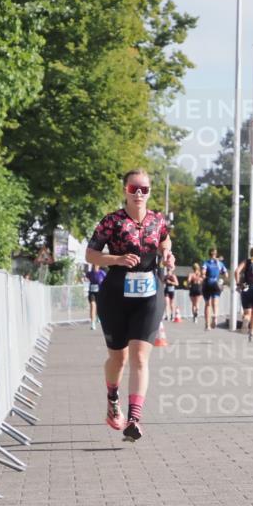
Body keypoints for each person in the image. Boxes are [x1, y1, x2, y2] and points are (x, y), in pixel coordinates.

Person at [85, 169, 175, 442]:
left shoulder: (157, 220)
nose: (139, 193)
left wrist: (168, 256)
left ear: (149, 192)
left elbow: (165, 242)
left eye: (144, 189)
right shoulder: (111, 222)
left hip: (148, 294)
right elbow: (91, 254)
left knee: (139, 357)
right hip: (115, 295)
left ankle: (134, 418)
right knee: (119, 358)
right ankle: (113, 399)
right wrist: (117, 259)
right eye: (134, 188)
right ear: (125, 189)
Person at [201, 248, 227, 331]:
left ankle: (207, 325)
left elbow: (203, 273)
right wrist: (222, 279)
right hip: (216, 283)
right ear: (216, 254)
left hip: (207, 283)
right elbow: (226, 275)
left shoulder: (206, 263)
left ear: (209, 254)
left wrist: (204, 276)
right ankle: (215, 316)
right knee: (215, 302)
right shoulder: (220, 264)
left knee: (207, 304)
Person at [85, 264, 106, 330]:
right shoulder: (89, 273)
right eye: (93, 265)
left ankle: (98, 316)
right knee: (93, 305)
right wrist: (85, 279)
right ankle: (92, 323)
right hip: (92, 292)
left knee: (99, 307)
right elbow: (85, 278)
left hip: (100, 292)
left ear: (98, 265)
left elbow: (106, 281)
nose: (94, 266)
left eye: (96, 265)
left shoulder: (102, 273)